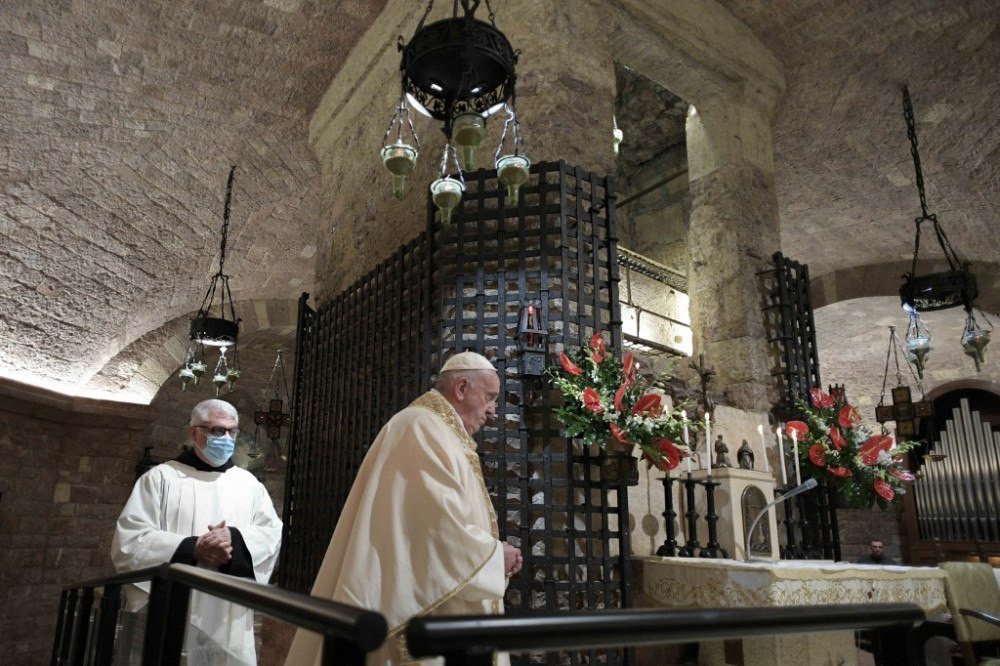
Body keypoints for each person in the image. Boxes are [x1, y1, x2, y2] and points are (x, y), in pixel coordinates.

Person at [285, 351, 523, 666]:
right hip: (423, 617)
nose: (493, 410)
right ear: (462, 388)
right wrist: (495, 557)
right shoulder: (421, 427)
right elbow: (434, 528)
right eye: (490, 397)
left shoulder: (439, 431)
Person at [111, 398, 283, 665]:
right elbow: (130, 540)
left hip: (230, 606)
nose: (226, 437)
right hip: (174, 603)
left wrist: (234, 540)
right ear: (193, 432)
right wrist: (194, 548)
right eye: (216, 430)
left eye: (232, 431)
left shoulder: (249, 484)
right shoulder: (161, 478)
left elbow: (271, 534)